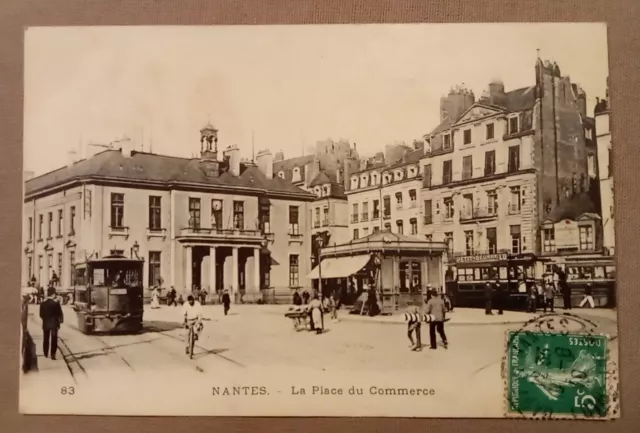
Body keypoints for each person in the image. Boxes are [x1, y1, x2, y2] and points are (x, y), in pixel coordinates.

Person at [39, 287, 64, 360]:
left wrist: (45, 319)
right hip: (54, 324)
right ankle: (53, 354)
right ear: (53, 294)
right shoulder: (56, 303)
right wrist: (59, 322)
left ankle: (46, 353)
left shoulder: (43, 303)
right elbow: (59, 314)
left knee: (45, 338)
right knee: (54, 339)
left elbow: (41, 314)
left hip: (46, 323)